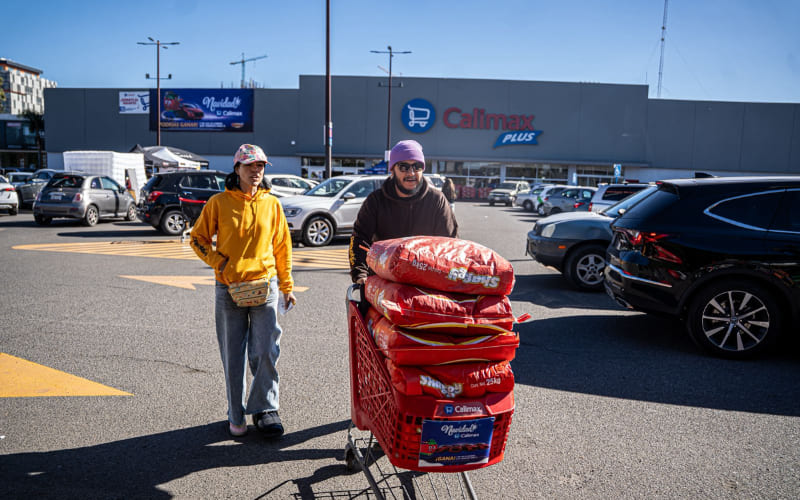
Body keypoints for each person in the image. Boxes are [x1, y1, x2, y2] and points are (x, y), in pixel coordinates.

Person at [189, 144, 297, 439]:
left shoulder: (271, 204)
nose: (255, 171)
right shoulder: (219, 203)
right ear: (236, 169)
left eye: (260, 166)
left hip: (265, 287)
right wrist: (217, 262)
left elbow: (282, 248)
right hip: (229, 288)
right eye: (249, 166)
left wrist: (287, 286)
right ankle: (235, 412)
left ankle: (265, 409)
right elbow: (197, 238)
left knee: (265, 350)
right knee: (232, 355)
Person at [349, 139, 458, 284]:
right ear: (393, 169)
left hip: (425, 280)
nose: (411, 173)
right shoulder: (376, 201)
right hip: (383, 280)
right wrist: (360, 274)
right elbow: (359, 240)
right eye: (404, 167)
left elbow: (450, 244)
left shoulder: (436, 200)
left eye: (417, 166)